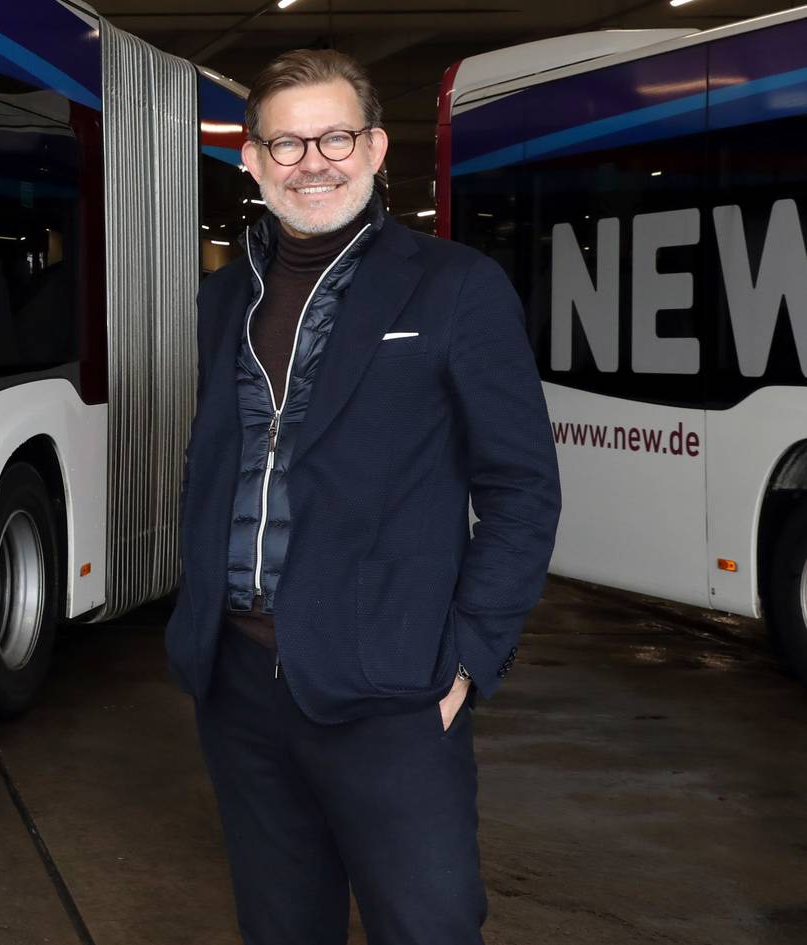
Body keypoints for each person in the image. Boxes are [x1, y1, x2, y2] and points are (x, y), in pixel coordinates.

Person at [165, 49, 560, 945]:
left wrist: (467, 658)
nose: (315, 161)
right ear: (253, 161)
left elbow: (521, 485)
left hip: (393, 689)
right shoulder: (223, 298)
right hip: (238, 685)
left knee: (429, 925)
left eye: (336, 136)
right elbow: (219, 458)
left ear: (377, 148)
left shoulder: (456, 287)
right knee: (282, 927)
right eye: (288, 143)